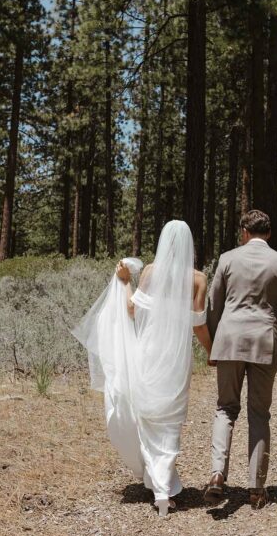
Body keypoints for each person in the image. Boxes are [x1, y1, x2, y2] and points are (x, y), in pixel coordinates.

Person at [72, 220, 210, 516]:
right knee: (170, 418)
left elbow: (133, 310)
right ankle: (162, 484)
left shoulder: (150, 272)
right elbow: (199, 326)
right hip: (176, 358)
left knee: (148, 414)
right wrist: (213, 352)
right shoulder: (199, 279)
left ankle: (160, 486)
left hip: (149, 351)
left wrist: (124, 282)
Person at [203, 209, 277, 510]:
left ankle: (218, 474)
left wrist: (212, 346)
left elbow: (213, 305)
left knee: (225, 408)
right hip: (264, 342)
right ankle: (257, 489)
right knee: (259, 413)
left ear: (244, 232)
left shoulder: (227, 259)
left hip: (229, 341)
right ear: (269, 234)